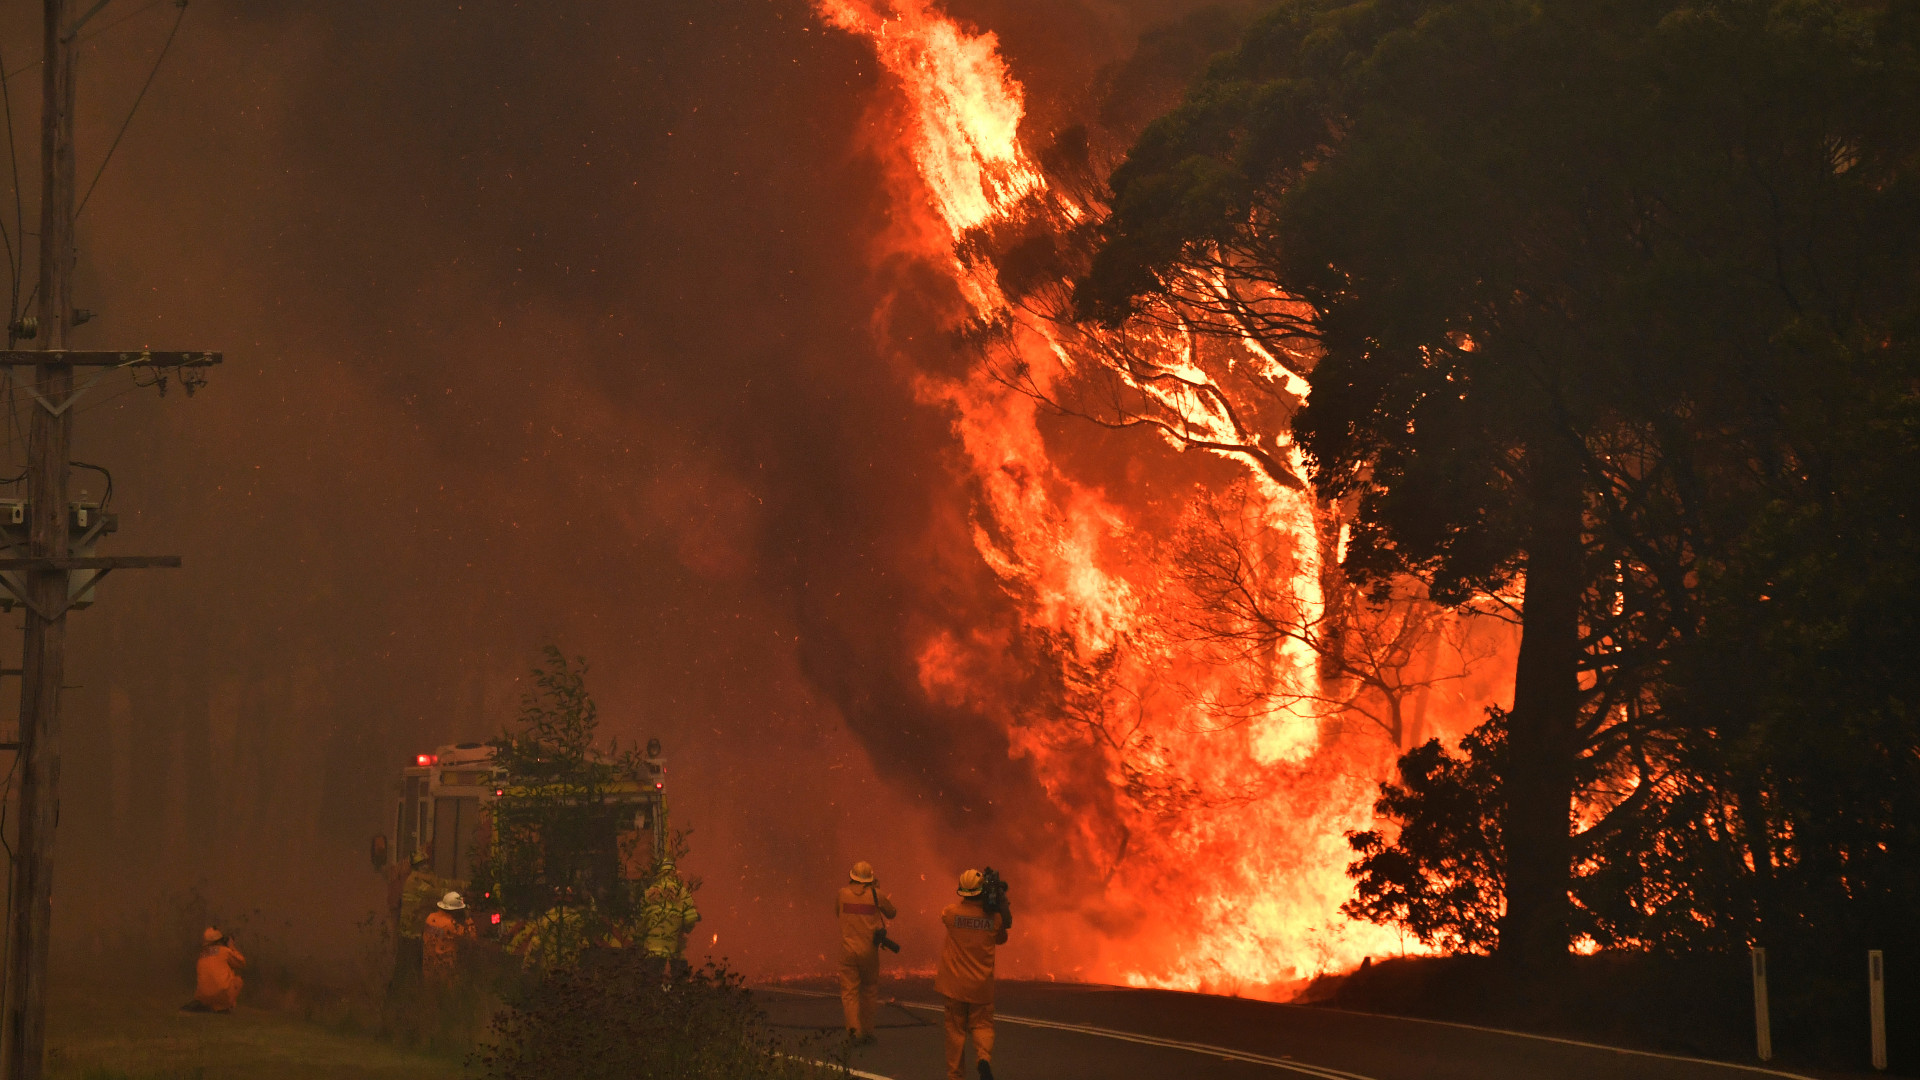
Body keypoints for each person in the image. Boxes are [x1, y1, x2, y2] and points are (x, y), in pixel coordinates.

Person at [936, 869, 1009, 1080]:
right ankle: (983, 1058)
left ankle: (956, 1077)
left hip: (954, 987)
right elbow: (1002, 939)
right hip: (981, 988)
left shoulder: (951, 913)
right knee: (983, 1026)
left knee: (955, 1034)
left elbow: (945, 916)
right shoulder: (994, 920)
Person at [836, 860, 898, 1043]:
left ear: (852, 877)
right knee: (869, 990)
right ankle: (869, 1032)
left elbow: (838, 913)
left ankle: (854, 1032)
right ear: (870, 879)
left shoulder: (842, 894)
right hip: (869, 952)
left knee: (849, 993)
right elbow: (892, 913)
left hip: (847, 951)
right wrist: (877, 891)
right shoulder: (876, 895)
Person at [641, 857, 700, 968]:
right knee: (678, 981)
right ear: (674, 872)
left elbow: (641, 921)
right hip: (674, 949)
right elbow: (690, 919)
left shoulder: (650, 892)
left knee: (652, 981)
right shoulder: (682, 892)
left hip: (652, 949)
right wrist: (687, 928)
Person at [422, 890, 473, 988]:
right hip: (445, 972)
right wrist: (468, 918)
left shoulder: (430, 918)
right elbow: (471, 937)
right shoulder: (453, 925)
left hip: (428, 967)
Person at [191, 928, 246, 1012]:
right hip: (222, 995)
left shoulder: (201, 955)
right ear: (219, 940)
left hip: (202, 997)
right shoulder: (224, 951)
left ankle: (211, 1005)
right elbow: (241, 962)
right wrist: (232, 947)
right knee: (238, 980)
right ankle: (225, 1007)